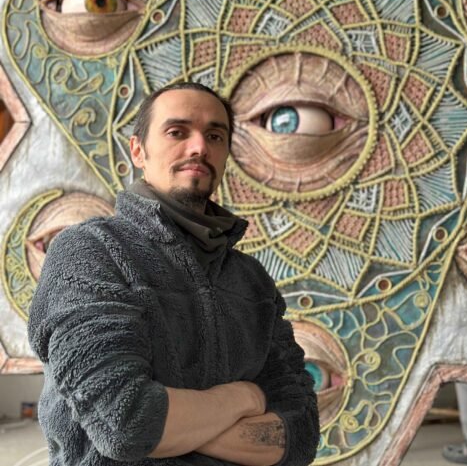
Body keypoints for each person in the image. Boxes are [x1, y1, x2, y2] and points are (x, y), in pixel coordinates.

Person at [28, 82, 320, 466]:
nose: (199, 147)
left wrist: (178, 427)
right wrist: (245, 398)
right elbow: (125, 423)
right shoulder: (89, 251)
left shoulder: (252, 280)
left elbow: (301, 437)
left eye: (214, 136)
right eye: (177, 132)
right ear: (138, 151)